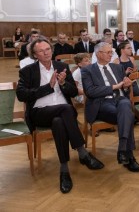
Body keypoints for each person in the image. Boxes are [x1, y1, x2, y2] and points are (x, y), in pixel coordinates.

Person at [17, 37, 103, 194]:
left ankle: (64, 170)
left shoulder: (62, 67)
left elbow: (72, 92)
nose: (46, 53)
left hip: (62, 113)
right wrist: (48, 87)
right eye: (41, 51)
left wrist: (63, 83)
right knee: (66, 109)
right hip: (39, 112)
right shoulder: (27, 71)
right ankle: (82, 153)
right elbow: (21, 95)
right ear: (35, 55)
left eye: (48, 49)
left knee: (59, 121)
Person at [82, 42, 139, 172]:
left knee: (125, 105)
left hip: (120, 101)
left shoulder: (117, 68)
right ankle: (128, 155)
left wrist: (126, 86)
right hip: (101, 104)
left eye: (111, 52)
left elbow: (125, 91)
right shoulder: (88, 70)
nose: (111, 54)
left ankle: (123, 150)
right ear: (99, 54)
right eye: (108, 52)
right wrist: (115, 87)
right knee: (128, 115)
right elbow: (91, 92)